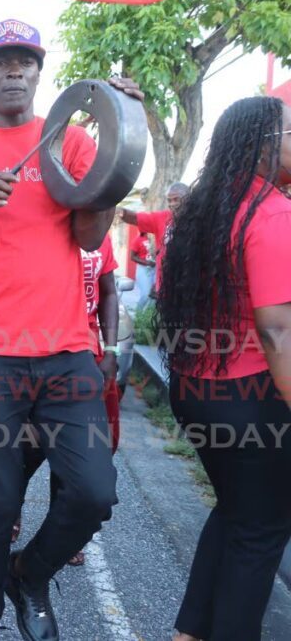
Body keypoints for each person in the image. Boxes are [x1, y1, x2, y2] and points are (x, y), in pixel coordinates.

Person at [0, 19, 142, 641]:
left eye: (25, 61)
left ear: (40, 73)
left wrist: (123, 140)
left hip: (67, 351)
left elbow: (91, 235)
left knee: (94, 493)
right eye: (1, 61)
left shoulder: (67, 142)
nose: (13, 70)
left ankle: (29, 574)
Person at [158, 96, 291, 641]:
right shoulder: (273, 211)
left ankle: (190, 632)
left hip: (195, 388)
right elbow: (277, 328)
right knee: (262, 530)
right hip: (252, 398)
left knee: (237, 510)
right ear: (265, 145)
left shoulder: (203, 209)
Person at [19, 235, 122, 566]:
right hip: (36, 353)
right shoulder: (39, 225)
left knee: (76, 454)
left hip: (84, 356)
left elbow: (108, 292)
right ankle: (11, 507)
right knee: (29, 446)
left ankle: (62, 531)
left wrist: (111, 349)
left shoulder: (100, 233)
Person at [118, 182, 189, 298]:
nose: (172, 204)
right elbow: (135, 218)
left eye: (176, 199)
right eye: (169, 200)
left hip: (189, 285)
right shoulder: (162, 218)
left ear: (188, 198)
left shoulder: (198, 220)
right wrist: (119, 211)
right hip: (166, 288)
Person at [129, 231, 155, 309]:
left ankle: (148, 317)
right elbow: (132, 257)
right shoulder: (138, 239)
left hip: (155, 269)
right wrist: (147, 262)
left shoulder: (156, 238)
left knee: (154, 296)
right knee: (146, 294)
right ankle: (138, 314)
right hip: (143, 269)